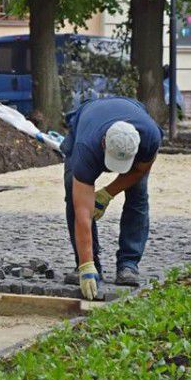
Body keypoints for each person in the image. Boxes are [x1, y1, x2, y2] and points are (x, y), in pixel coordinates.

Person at [61, 96, 163, 300]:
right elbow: (83, 212)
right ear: (103, 144)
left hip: (131, 110)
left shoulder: (150, 136)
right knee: (74, 193)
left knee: (138, 195)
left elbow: (140, 170)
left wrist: (107, 193)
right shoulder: (86, 148)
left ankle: (128, 265)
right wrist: (86, 264)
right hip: (88, 121)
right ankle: (89, 265)